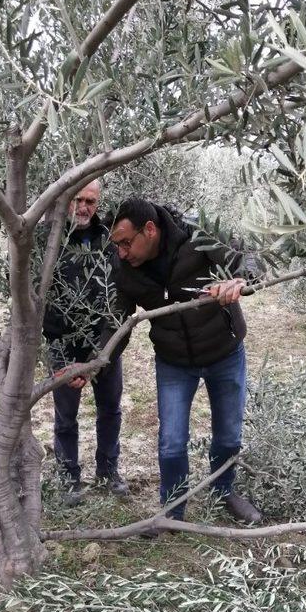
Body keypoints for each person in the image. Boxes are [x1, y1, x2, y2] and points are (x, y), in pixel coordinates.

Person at [110, 198, 263, 524]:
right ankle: (172, 511)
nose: (121, 252)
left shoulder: (198, 231)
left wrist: (240, 280)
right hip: (174, 361)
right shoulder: (124, 267)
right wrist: (97, 360)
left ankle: (225, 493)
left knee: (229, 436)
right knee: (171, 442)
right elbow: (117, 325)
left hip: (224, 350)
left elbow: (247, 257)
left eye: (126, 242)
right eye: (117, 245)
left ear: (149, 230)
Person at [43, 180, 129, 505]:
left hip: (103, 346)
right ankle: (68, 478)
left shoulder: (107, 239)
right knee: (66, 417)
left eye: (91, 201)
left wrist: (99, 356)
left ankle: (108, 472)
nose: (84, 207)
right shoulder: (47, 240)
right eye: (78, 199)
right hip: (62, 346)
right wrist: (61, 354)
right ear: (65, 199)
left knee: (110, 410)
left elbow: (118, 301)